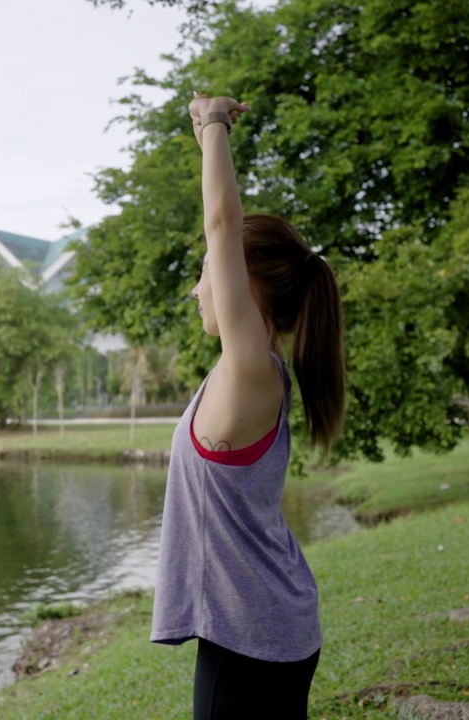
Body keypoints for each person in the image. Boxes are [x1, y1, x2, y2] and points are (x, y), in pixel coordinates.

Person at [149, 91, 346, 719]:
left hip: (251, 640)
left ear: (243, 280)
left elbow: (222, 224)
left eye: (208, 271)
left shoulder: (251, 371)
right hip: (265, 626)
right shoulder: (248, 376)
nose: (196, 287)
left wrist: (211, 126)